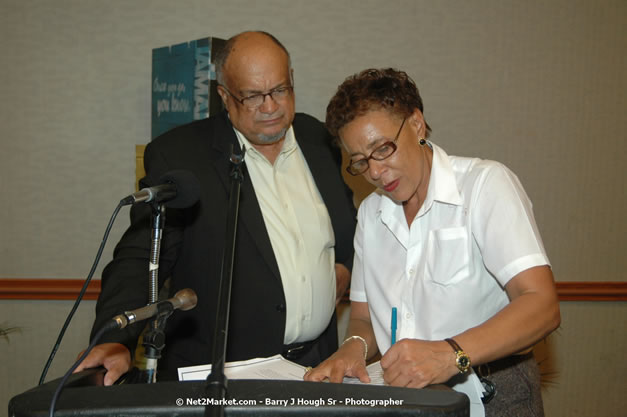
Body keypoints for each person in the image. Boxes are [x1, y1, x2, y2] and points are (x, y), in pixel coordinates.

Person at [75, 31, 357, 385]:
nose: (270, 107)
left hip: (318, 365)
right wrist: (116, 339)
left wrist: (344, 262)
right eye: (253, 96)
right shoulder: (179, 155)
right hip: (222, 374)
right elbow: (140, 257)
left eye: (280, 90)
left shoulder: (319, 140)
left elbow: (348, 224)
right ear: (224, 95)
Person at [304, 68, 560, 417]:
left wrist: (449, 354)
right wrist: (353, 346)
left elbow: (542, 305)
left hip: (494, 391)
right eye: (361, 161)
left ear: (416, 125)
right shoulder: (371, 214)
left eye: (383, 149)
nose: (375, 172)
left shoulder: (484, 186)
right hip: (407, 394)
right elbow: (364, 318)